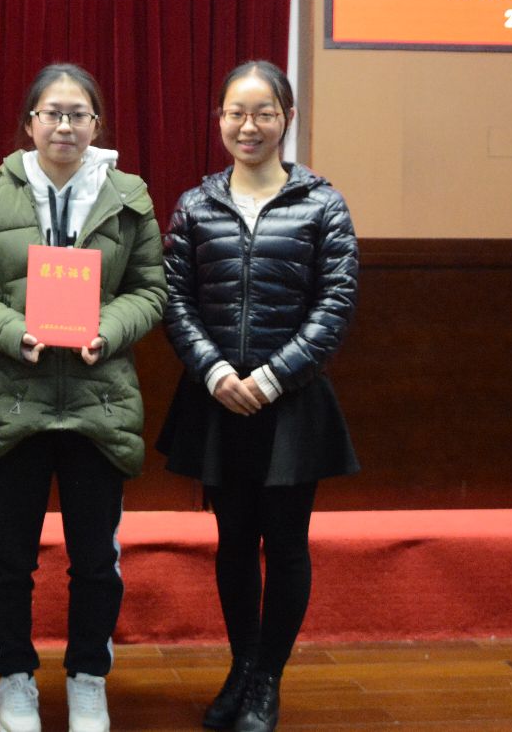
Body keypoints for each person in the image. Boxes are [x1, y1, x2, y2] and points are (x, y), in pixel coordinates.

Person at [0, 63, 167, 732]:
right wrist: (13, 332)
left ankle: (87, 678)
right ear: (30, 123)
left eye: (78, 114)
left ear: (96, 124)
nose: (65, 126)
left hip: (100, 402)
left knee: (95, 559)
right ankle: (15, 676)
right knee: (10, 556)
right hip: (13, 400)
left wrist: (109, 329)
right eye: (52, 113)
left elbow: (150, 289)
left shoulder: (129, 196)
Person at [156, 60, 359, 732]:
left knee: (287, 543)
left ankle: (268, 679)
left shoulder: (322, 204)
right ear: (219, 119)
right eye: (236, 113)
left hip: (290, 400)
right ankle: (242, 666)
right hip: (218, 397)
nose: (249, 126)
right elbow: (175, 299)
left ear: (287, 119)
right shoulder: (195, 205)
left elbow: (335, 303)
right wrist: (214, 371)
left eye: (264, 113)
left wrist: (273, 376)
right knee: (234, 541)